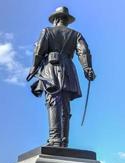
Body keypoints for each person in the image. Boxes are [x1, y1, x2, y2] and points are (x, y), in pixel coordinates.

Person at [27, 7, 96, 147]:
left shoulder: (47, 31)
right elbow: (83, 51)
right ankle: (64, 140)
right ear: (65, 20)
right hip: (68, 70)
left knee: (53, 102)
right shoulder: (76, 34)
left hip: (51, 70)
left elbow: (39, 51)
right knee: (65, 105)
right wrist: (87, 68)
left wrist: (33, 67)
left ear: (57, 19)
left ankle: (55, 139)